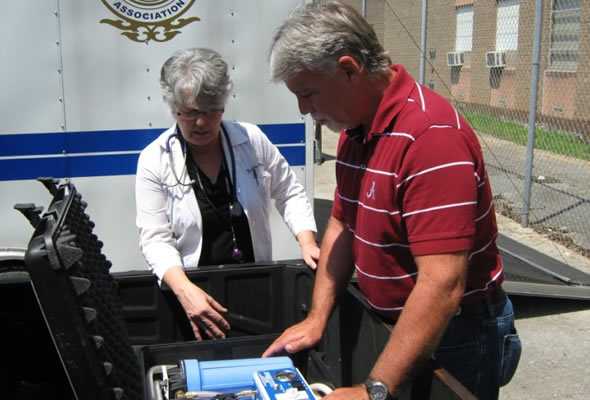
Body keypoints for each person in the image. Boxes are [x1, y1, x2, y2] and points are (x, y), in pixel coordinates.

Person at [262, 2, 521, 400]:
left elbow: (442, 283)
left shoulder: (430, 138)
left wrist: (375, 390)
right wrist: (317, 318)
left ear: (349, 69)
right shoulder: (357, 131)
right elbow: (341, 225)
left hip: (454, 335)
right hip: (396, 321)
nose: (304, 110)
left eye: (308, 93)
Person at [136, 48, 320, 341]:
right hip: (194, 294)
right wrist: (185, 292)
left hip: (254, 285)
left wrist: (307, 239)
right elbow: (155, 238)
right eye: (191, 112)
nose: (201, 123)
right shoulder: (154, 159)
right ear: (173, 108)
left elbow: (289, 190)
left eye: (212, 111)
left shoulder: (251, 139)